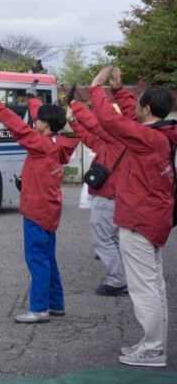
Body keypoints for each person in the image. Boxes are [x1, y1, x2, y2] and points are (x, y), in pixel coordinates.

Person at [88, 66, 177, 367]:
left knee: (144, 288)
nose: (134, 106)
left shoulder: (147, 139)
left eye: (139, 102)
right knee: (154, 285)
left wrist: (96, 87)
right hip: (153, 218)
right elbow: (129, 118)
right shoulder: (161, 133)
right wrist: (118, 90)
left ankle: (153, 350)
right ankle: (155, 345)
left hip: (139, 220)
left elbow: (111, 120)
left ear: (148, 108)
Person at [0, 82, 77, 324]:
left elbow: (18, 128)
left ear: (46, 125)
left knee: (36, 259)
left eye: (38, 120)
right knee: (48, 257)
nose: (34, 122)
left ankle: (39, 309)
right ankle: (56, 304)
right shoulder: (57, 144)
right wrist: (31, 98)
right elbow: (40, 118)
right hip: (50, 208)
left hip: (36, 210)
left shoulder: (40, 145)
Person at [65, 70, 137, 297]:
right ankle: (125, 277)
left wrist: (76, 105)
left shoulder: (117, 135)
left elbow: (96, 125)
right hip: (117, 197)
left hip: (107, 197)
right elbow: (93, 138)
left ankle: (117, 281)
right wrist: (74, 122)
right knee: (114, 239)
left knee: (103, 241)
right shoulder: (125, 138)